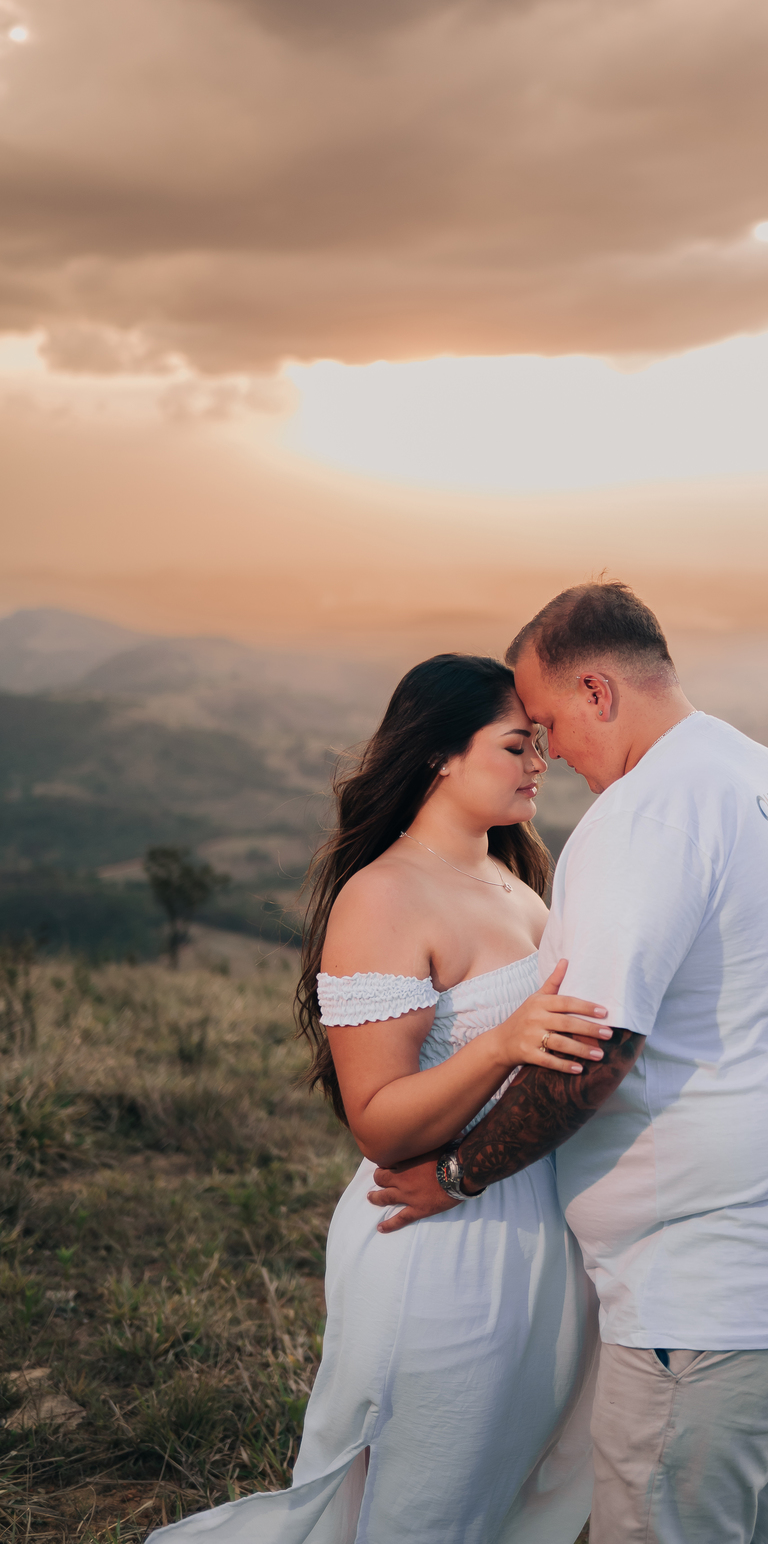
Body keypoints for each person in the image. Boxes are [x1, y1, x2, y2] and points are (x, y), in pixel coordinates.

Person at [371, 583, 768, 1544]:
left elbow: (591, 1053)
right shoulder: (760, 771)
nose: (550, 752)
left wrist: (456, 1175)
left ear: (599, 691)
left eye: (549, 722)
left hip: (718, 1275)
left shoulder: (646, 817)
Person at [149, 653, 606, 1544]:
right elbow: (379, 1122)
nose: (539, 762)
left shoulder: (513, 876)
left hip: (537, 1227)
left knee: (513, 1490)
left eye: (540, 744)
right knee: (427, 1497)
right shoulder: (384, 898)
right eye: (516, 745)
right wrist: (502, 1044)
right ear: (440, 754)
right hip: (439, 1245)